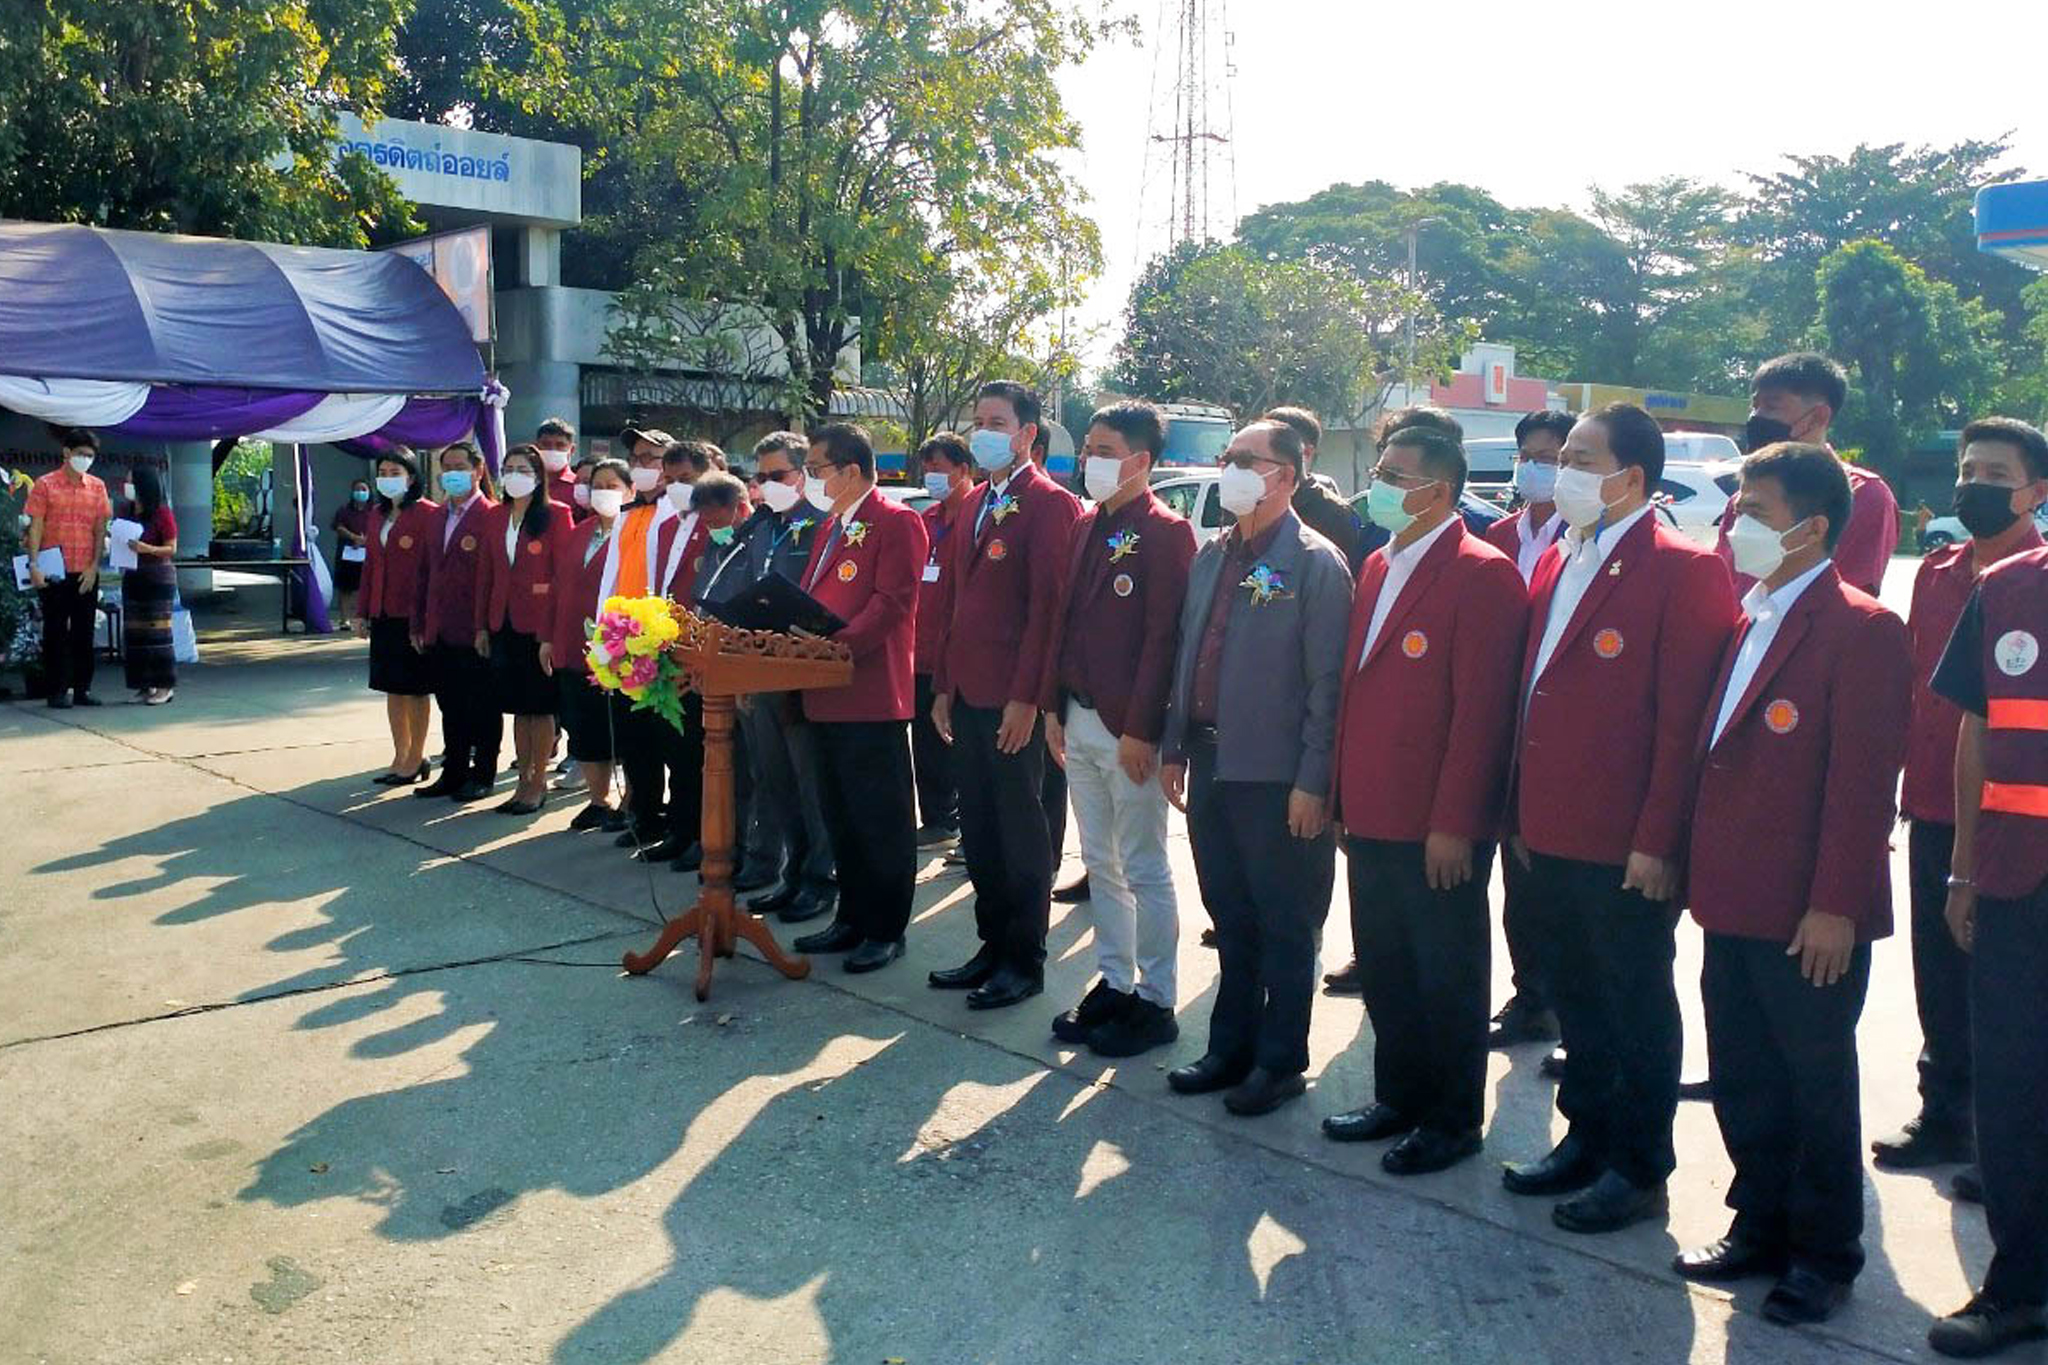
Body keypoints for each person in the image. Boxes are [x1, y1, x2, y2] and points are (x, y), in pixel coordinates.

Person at [1674, 444, 1910, 1326]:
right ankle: (1759, 1223)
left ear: (1812, 527)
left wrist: (1835, 905)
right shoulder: (1752, 614)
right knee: (1743, 1073)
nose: (1736, 525)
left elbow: (1860, 784)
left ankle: (1822, 1253)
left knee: (1813, 1083)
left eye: (1756, 510)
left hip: (1808, 910)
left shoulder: (1863, 628)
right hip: (1733, 896)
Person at [1502, 402, 1737, 1234]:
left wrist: (1657, 839)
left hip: (1624, 842)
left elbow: (1684, 725)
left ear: (1632, 476)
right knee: (1578, 998)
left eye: (1577, 456)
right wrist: (1520, 810)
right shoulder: (1562, 557)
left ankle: (1638, 1164)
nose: (1558, 470)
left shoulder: (1684, 567)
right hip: (1548, 829)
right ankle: (1586, 1136)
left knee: (1632, 1000)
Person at [1322, 424, 1527, 1171]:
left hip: (1434, 824)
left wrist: (1456, 823)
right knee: (1386, 965)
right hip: (1373, 810)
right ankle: (1397, 1095)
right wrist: (1343, 793)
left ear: (1438, 490)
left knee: (1446, 972)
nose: (1378, 485)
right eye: (1379, 471)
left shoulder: (1482, 573)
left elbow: (1482, 714)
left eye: (1394, 475)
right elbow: (1357, 687)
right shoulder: (1379, 562)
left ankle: (1450, 1118)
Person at [1159, 419, 1352, 1116]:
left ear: (1289, 476)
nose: (1232, 468)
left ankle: (1279, 1059)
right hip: (1212, 760)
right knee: (1231, 914)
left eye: (1249, 460)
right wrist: (1174, 743)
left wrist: (1313, 780)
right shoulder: (1215, 552)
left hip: (1276, 776)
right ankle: (1228, 1046)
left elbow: (1327, 684)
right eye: (1228, 457)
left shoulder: (1315, 562)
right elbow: (1189, 651)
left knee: (1284, 921)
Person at [1873, 419, 2047, 1179]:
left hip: (2010, 823)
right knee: (1938, 974)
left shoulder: (2030, 585)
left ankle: (2001, 1136)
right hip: (1934, 806)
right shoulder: (1937, 571)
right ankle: (1944, 1111)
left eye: (1996, 473)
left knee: (2005, 993)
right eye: (1967, 469)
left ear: (2035, 492)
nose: (1975, 483)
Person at [1923, 443, 2048, 1358]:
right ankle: (2022, 1285)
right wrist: (1963, 867)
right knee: (2013, 1094)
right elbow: (1976, 730)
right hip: (2017, 880)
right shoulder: (2009, 589)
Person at [1038, 400, 1196, 1057]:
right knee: (1099, 860)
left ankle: (1156, 1000)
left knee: (1143, 865)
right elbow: (1062, 618)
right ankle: (1114, 979)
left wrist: (1143, 728)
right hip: (1077, 715)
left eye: (1103, 450)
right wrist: (1051, 704)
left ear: (1141, 461)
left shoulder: (1167, 532)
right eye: (1088, 449)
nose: (1089, 460)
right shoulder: (1085, 524)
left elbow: (1165, 638)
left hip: (1127, 727)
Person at [926, 380, 1083, 1009]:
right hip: (966, 692)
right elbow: (955, 606)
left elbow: (1048, 613)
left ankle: (1024, 959)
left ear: (1026, 434)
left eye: (997, 421)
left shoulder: (1050, 504)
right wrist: (942, 685)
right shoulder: (974, 504)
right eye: (977, 419)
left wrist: (1029, 698)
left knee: (1022, 833)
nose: (983, 430)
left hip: (1012, 701)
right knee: (983, 833)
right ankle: (991, 945)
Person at [784, 423, 929, 972]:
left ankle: (885, 928)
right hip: (822, 693)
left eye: (817, 469)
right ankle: (851, 917)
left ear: (850, 470)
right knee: (839, 814)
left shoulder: (897, 521)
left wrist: (834, 649)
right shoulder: (830, 527)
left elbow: (891, 604)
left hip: (868, 692)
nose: (811, 481)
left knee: (879, 819)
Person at [708, 432, 838, 923]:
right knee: (774, 779)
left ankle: (821, 879)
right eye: (759, 477)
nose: (766, 485)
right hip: (757, 671)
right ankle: (790, 872)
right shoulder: (761, 525)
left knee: (810, 783)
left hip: (801, 673)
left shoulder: (822, 525)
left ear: (804, 475)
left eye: (777, 475)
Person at [1480, 407, 1574, 1048]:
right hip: (1494, 723)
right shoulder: (1496, 535)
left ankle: (1563, 1003)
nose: (1537, 468)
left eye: (1555, 457)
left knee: (1549, 882)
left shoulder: (1583, 539)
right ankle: (1529, 995)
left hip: (1552, 736)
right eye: (1528, 456)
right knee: (1511, 875)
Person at [610, 441, 720, 869]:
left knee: (698, 751)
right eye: (670, 480)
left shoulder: (719, 522)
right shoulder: (666, 524)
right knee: (675, 748)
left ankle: (700, 835)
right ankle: (678, 829)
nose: (677, 488)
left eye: (686, 480)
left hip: (704, 654)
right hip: (669, 651)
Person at [1718, 352, 1900, 598]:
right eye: (1754, 406)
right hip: (1745, 635)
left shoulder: (1865, 496)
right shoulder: (1743, 499)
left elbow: (1848, 603)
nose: (1756, 417)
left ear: (1819, 417)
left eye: (1771, 405)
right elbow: (1721, 586)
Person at [473, 444, 571, 815]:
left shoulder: (556, 515)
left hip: (538, 626)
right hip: (503, 623)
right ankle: (521, 778)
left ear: (537, 475)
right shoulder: (495, 517)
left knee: (540, 705)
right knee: (517, 706)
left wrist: (551, 633)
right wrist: (481, 625)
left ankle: (538, 781)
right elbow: (486, 574)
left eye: (523, 469)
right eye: (509, 468)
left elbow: (562, 576)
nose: (515, 475)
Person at [413, 441, 502, 802]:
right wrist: (417, 623)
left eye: (459, 466)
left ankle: (483, 773)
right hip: (439, 628)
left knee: (481, 705)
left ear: (478, 470)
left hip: (475, 630)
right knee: (450, 705)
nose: (451, 473)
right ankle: (453, 772)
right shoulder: (436, 516)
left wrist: (485, 625)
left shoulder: (492, 515)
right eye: (446, 467)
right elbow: (424, 573)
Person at [551, 457, 632, 830]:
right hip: (572, 645)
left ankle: (632, 800)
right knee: (584, 727)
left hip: (620, 649)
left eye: (613, 485)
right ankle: (598, 799)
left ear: (630, 491)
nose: (603, 492)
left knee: (624, 729)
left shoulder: (637, 533)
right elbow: (557, 589)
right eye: (597, 485)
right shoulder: (576, 532)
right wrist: (547, 637)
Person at [358, 450, 437, 784]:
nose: (388, 477)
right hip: (383, 612)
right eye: (384, 471)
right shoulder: (376, 515)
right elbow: (370, 566)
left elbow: (432, 570)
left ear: (412, 476)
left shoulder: (428, 514)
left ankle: (417, 755)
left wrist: (426, 618)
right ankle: (400, 753)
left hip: (413, 614)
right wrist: (362, 612)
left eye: (395, 471)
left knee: (416, 688)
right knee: (392, 688)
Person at [911, 432, 974, 848]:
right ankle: (937, 819)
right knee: (925, 740)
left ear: (964, 470)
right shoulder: (927, 519)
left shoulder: (978, 515)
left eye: (940, 468)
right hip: (921, 651)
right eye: (928, 468)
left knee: (962, 745)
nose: (932, 475)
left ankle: (967, 825)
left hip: (961, 654)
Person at [24, 427, 112, 708]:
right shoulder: (45, 485)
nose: (85, 460)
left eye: (90, 456)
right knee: (55, 631)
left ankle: (83, 689)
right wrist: (34, 564)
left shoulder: (97, 486)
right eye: (81, 454)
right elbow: (35, 526)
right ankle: (56, 690)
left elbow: (100, 529)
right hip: (53, 570)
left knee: (84, 632)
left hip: (85, 569)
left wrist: (94, 566)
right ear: (67, 453)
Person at [1264, 405, 1366, 571]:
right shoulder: (1255, 502)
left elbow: (1340, 580)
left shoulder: (1336, 514)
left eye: (1276, 445)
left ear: (1306, 452)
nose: (1266, 453)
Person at [119, 464, 181, 705]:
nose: (127, 487)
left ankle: (165, 686)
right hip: (133, 575)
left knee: (158, 632)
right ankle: (144, 684)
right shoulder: (126, 511)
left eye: (131, 482)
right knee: (135, 633)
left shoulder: (162, 513)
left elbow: (171, 548)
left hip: (157, 576)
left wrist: (147, 549)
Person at [330, 478, 373, 628]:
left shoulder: (374, 511)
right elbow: (338, 527)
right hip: (348, 553)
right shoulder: (344, 510)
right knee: (346, 587)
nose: (360, 492)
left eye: (364, 489)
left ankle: (366, 619)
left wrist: (366, 540)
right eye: (357, 489)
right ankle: (344, 619)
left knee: (368, 586)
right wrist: (354, 537)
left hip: (368, 553)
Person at [535, 417, 581, 513]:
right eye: (546, 444)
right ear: (536, 447)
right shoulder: (527, 482)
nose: (552, 449)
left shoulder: (579, 486)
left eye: (560, 445)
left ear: (571, 450)